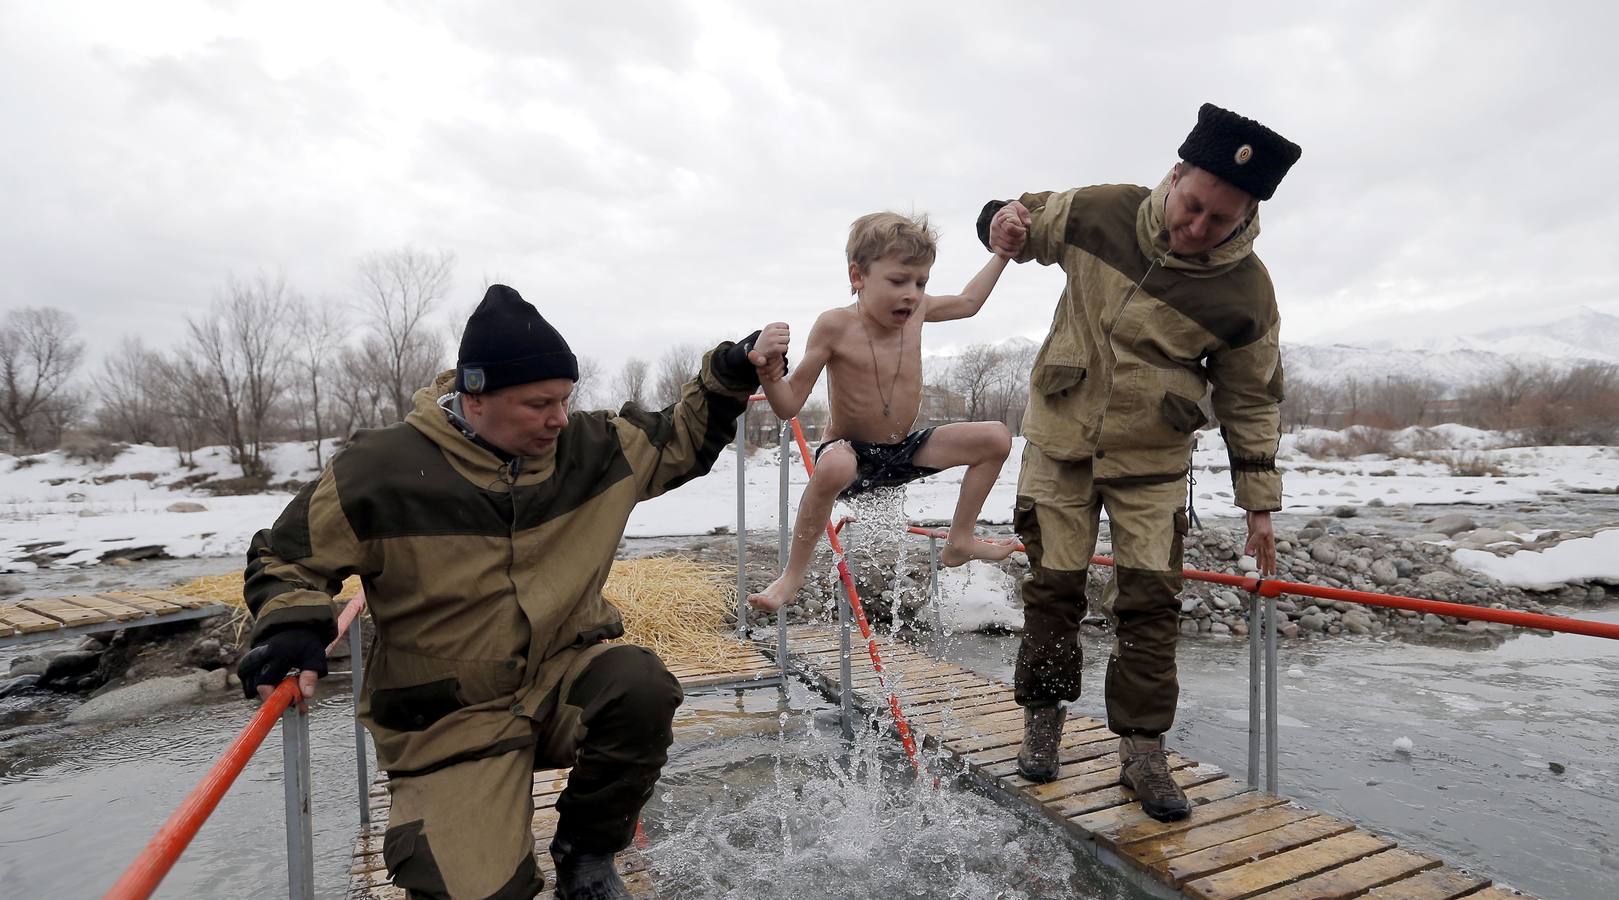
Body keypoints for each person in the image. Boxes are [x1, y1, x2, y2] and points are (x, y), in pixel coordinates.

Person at [235, 284, 787, 900]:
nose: (559, 418)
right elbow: (285, 556)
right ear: (473, 397)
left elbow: (680, 436)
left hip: (557, 681)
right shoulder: (380, 470)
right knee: (479, 891)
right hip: (448, 719)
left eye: (565, 399)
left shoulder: (592, 449)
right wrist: (294, 626)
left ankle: (587, 856)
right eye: (538, 404)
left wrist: (731, 370)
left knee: (639, 685)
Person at [981, 103, 1300, 821]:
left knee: (1150, 608)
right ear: (1175, 174)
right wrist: (999, 221)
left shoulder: (1247, 292)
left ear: (1248, 213)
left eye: (1219, 219)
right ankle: (1042, 722)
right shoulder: (1100, 212)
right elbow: (1022, 220)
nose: (1197, 227)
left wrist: (1259, 504)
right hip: (1059, 445)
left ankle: (1142, 751)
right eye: (1192, 206)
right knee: (1052, 593)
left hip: (1153, 461)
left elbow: (1251, 399)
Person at [748, 211, 1019, 614]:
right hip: (850, 454)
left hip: (902, 450)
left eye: (921, 282)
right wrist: (770, 375)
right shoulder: (835, 326)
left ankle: (960, 540)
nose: (912, 294)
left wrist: (1002, 255)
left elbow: (968, 303)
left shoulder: (919, 311)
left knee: (996, 437)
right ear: (858, 276)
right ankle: (792, 575)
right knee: (835, 465)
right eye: (898, 281)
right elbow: (789, 405)